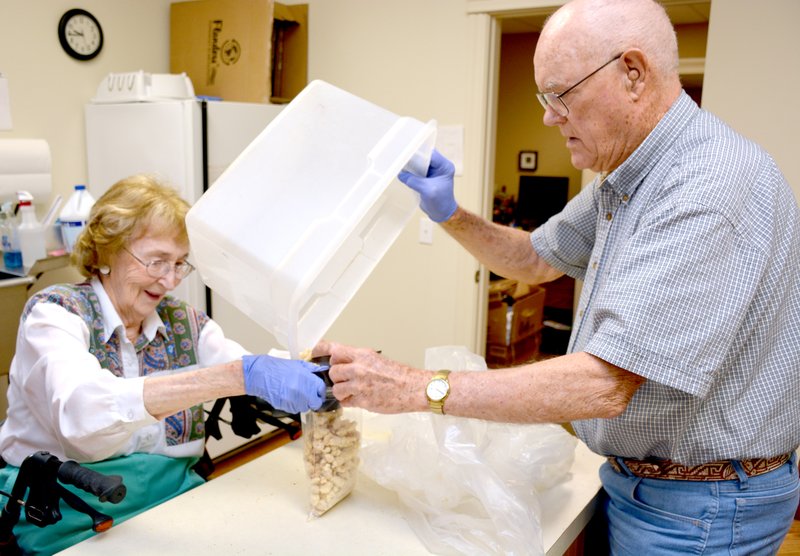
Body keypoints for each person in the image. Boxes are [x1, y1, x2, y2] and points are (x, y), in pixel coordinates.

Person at [317, 0, 800, 553]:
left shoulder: (706, 185)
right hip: (650, 483)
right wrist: (450, 214)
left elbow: (604, 382)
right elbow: (536, 259)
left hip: (700, 505)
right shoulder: (631, 176)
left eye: (559, 95)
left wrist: (412, 388)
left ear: (633, 74)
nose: (549, 116)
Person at [0, 175, 326, 554]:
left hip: (177, 502)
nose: (169, 280)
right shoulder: (54, 315)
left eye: (178, 264)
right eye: (156, 261)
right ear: (106, 252)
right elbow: (81, 415)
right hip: (66, 514)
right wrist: (230, 378)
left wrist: (314, 363)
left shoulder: (183, 322)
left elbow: (249, 367)